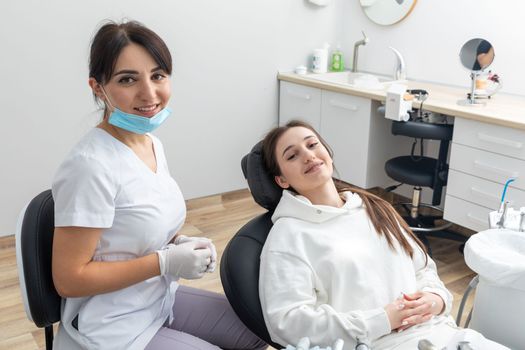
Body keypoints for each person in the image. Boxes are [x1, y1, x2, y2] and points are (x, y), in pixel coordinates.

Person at [51, 20, 267, 350]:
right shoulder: (90, 166)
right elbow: (69, 278)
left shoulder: (149, 143)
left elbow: (133, 227)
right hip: (114, 325)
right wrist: (165, 262)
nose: (149, 94)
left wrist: (180, 242)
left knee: (260, 328)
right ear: (98, 87)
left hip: (157, 299)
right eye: (127, 79)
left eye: (158, 76)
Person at [257, 120, 508, 349]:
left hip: (440, 333)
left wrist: (436, 299)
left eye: (312, 144)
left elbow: (422, 268)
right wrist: (382, 320)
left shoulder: (374, 207)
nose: (309, 155)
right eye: (292, 155)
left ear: (328, 152)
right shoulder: (288, 235)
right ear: (281, 180)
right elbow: (287, 322)